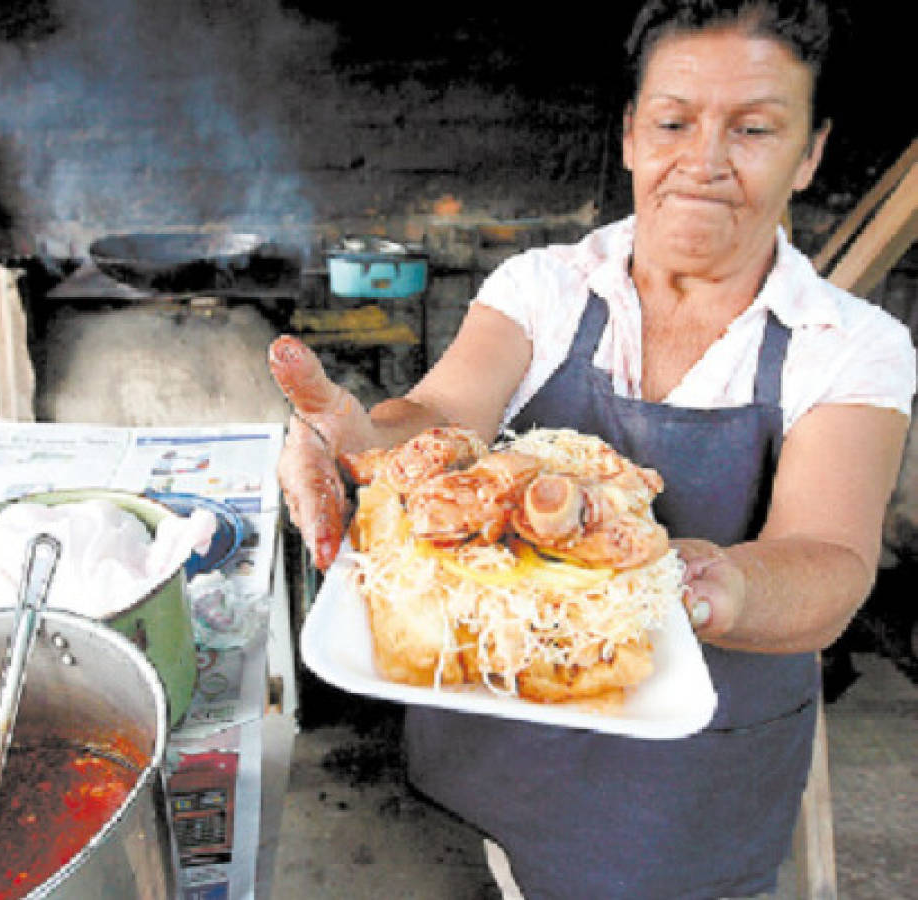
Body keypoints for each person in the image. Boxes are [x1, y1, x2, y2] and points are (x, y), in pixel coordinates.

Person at [269, 1, 916, 897]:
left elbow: (829, 564)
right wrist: (358, 436)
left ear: (809, 153)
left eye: (755, 129)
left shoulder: (849, 343)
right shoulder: (544, 288)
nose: (703, 162)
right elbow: (440, 415)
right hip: (491, 737)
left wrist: (702, 585)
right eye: (673, 122)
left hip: (682, 791)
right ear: (628, 135)